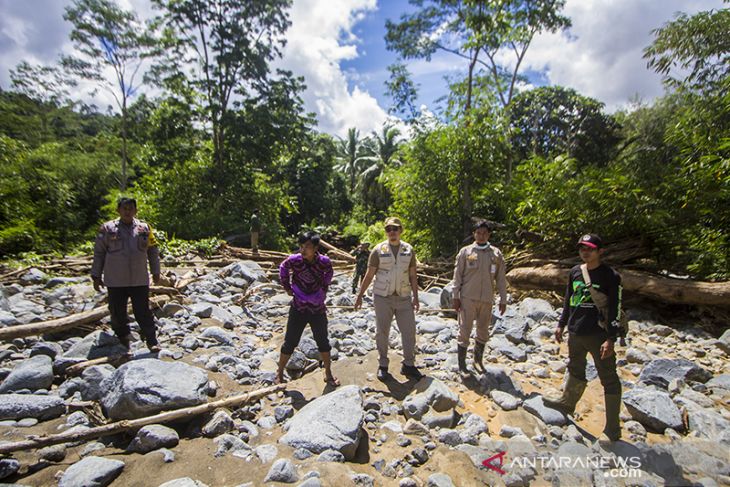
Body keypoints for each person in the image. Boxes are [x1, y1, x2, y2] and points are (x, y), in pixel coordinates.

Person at [545, 233, 623, 443]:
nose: (585, 252)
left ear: (600, 251)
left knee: (609, 378)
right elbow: (568, 300)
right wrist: (561, 324)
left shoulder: (610, 276)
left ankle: (613, 429)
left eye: (589, 249)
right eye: (582, 249)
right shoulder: (575, 272)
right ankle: (567, 403)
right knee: (575, 368)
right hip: (576, 331)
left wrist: (611, 338)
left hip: (599, 334)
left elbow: (616, 307)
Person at [354, 217, 424, 381]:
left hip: (404, 297)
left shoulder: (409, 250)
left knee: (409, 331)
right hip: (382, 297)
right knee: (382, 331)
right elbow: (370, 274)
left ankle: (408, 364)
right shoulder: (378, 251)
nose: (392, 232)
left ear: (401, 231)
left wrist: (416, 297)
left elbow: (413, 275)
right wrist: (359, 296)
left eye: (395, 229)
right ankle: (383, 365)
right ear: (386, 232)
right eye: (388, 229)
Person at [90, 197, 161, 353]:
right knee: (117, 312)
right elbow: (99, 253)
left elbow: (153, 251)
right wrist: (96, 275)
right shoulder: (107, 229)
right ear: (118, 211)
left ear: (136, 211)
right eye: (124, 208)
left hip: (139, 279)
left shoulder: (144, 228)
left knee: (143, 311)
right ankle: (123, 340)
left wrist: (156, 271)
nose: (128, 211)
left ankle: (151, 340)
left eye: (131, 208)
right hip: (116, 280)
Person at [275, 231, 339, 387]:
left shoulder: (324, 261)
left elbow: (329, 273)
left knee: (323, 341)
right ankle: (279, 373)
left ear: (316, 248)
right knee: (290, 341)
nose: (303, 250)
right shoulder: (295, 260)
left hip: (317, 309)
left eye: (307, 247)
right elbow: (283, 267)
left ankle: (328, 373)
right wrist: (287, 287)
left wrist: (323, 287)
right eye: (301, 246)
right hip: (299, 308)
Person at [452, 220, 507, 374]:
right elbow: (457, 276)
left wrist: (503, 299)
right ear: (474, 234)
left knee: (483, 331)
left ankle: (478, 361)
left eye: (484, 233)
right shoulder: (466, 252)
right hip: (468, 297)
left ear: (489, 235)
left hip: (487, 299)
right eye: (478, 233)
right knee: (464, 331)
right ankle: (462, 366)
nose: (481, 236)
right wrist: (455, 296)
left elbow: (501, 279)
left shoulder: (495, 254)